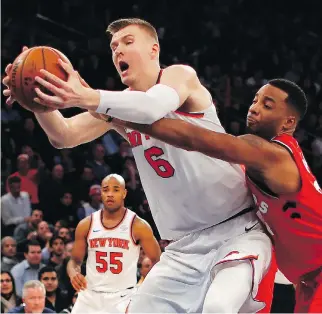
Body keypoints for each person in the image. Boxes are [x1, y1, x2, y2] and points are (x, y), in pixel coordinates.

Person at [2, 18, 275, 313]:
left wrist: (85, 96)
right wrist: (39, 102)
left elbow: (151, 108)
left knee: (218, 308)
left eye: (128, 42)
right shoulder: (118, 106)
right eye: (113, 47)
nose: (118, 51)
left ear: (153, 49)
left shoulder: (179, 76)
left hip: (236, 229)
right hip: (182, 249)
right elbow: (63, 136)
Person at [109, 78, 322, 313]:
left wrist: (120, 115)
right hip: (306, 279)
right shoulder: (260, 160)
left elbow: (196, 139)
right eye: (255, 100)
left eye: (267, 105)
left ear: (288, 122)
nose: (254, 107)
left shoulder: (271, 154)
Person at [67, 174, 161, 313]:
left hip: (122, 297)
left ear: (124, 193)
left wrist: (144, 288)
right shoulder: (86, 224)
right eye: (106, 190)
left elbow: (157, 261)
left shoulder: (138, 225)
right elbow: (74, 260)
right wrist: (73, 273)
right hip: (90, 295)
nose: (110, 194)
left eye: (116, 190)